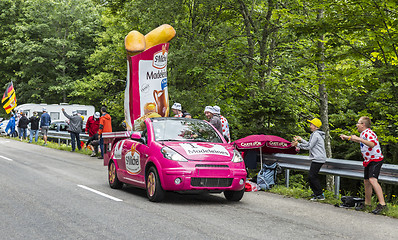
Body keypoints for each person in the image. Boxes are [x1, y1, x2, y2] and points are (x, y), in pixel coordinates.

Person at [340, 116, 387, 214]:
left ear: (363, 124)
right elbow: (358, 140)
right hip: (368, 160)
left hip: (375, 159)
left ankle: (382, 204)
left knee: (372, 180)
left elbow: (372, 144)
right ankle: (367, 203)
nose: (356, 125)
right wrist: (347, 137)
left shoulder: (369, 133)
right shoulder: (363, 133)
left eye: (358, 123)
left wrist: (359, 139)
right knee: (366, 181)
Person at [291, 118, 326, 201]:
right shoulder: (317, 134)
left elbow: (309, 147)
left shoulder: (315, 134)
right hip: (318, 158)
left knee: (312, 176)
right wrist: (301, 140)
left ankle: (320, 194)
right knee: (312, 176)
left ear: (316, 126)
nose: (310, 126)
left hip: (318, 158)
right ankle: (317, 193)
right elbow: (309, 144)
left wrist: (298, 144)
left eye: (311, 124)